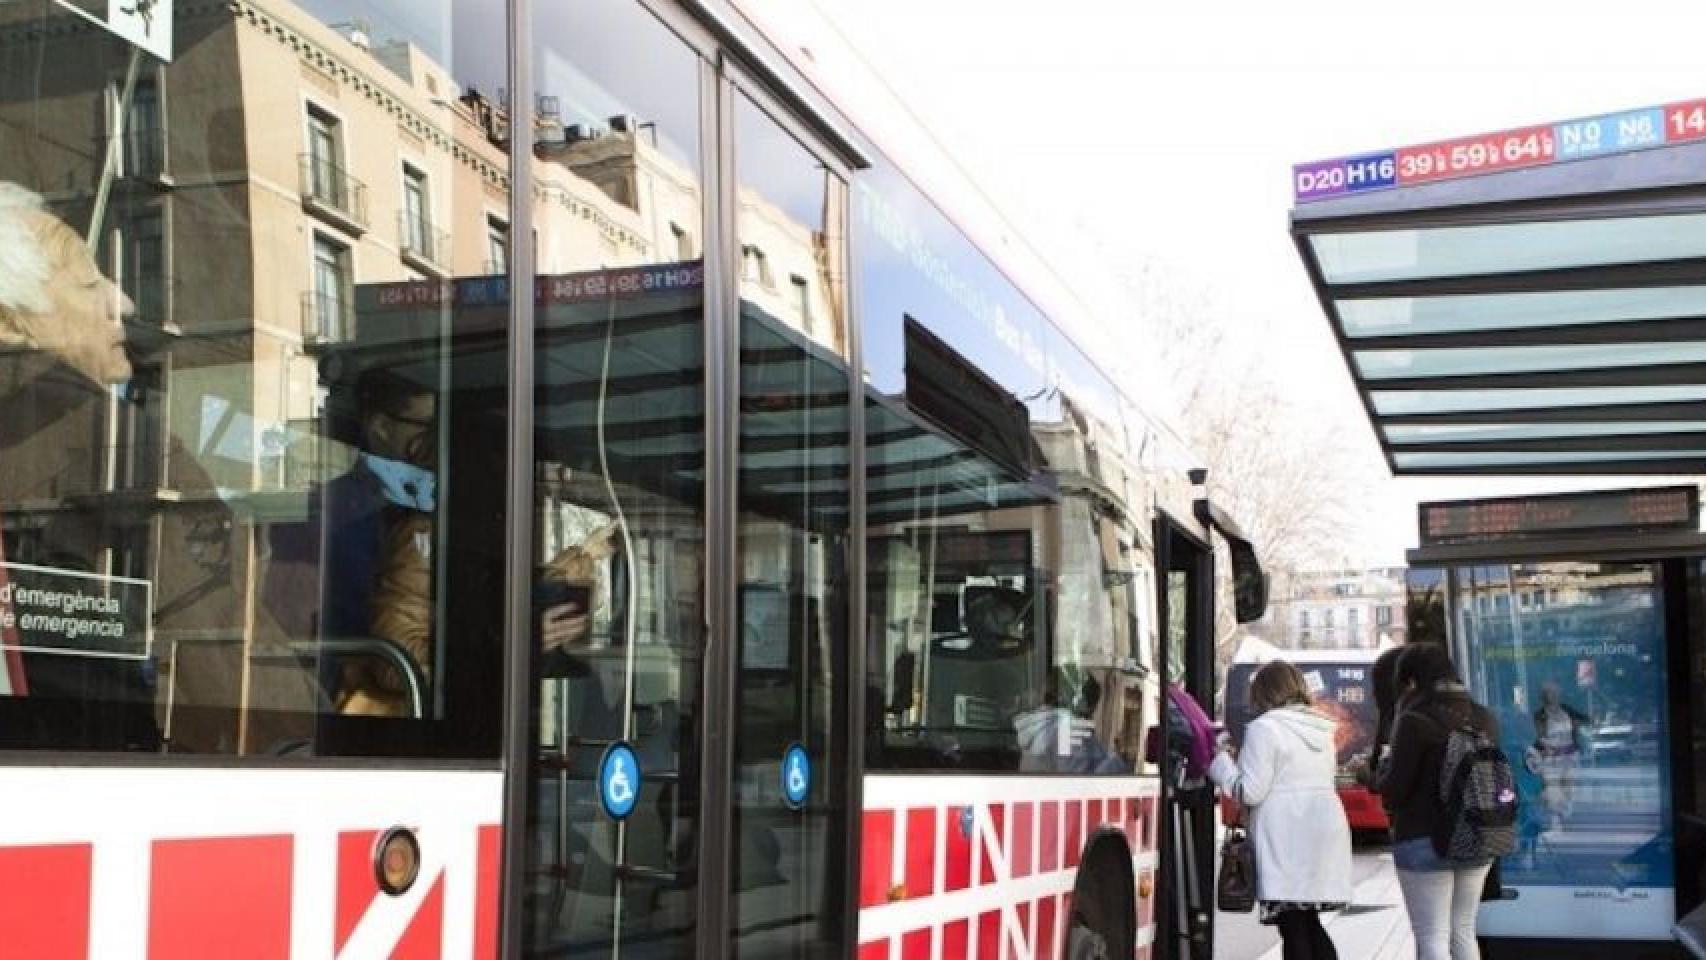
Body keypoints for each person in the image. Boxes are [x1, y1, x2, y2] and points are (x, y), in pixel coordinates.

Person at [1209, 659, 1352, 960]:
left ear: (1264, 692)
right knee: (1307, 920)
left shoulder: (1265, 728)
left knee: (1293, 926)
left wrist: (1221, 765)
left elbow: (1249, 791)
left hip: (1285, 836)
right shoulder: (1321, 729)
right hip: (1323, 830)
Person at [1378, 643, 1500, 960]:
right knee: (1463, 930)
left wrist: (1375, 773)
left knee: (1432, 937)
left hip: (1423, 840)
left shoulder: (1413, 720)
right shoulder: (1483, 717)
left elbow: (1394, 792)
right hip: (1477, 838)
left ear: (1411, 681)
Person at [1524, 681, 1587, 832]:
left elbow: (1582, 721)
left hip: (1569, 758)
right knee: (1552, 790)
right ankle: (1555, 819)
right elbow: (1533, 736)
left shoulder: (1567, 711)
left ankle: (1561, 812)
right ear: (1543, 697)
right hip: (1549, 759)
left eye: (1554, 693)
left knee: (1568, 790)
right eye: (1547, 694)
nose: (1551, 697)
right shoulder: (1539, 716)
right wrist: (1540, 747)